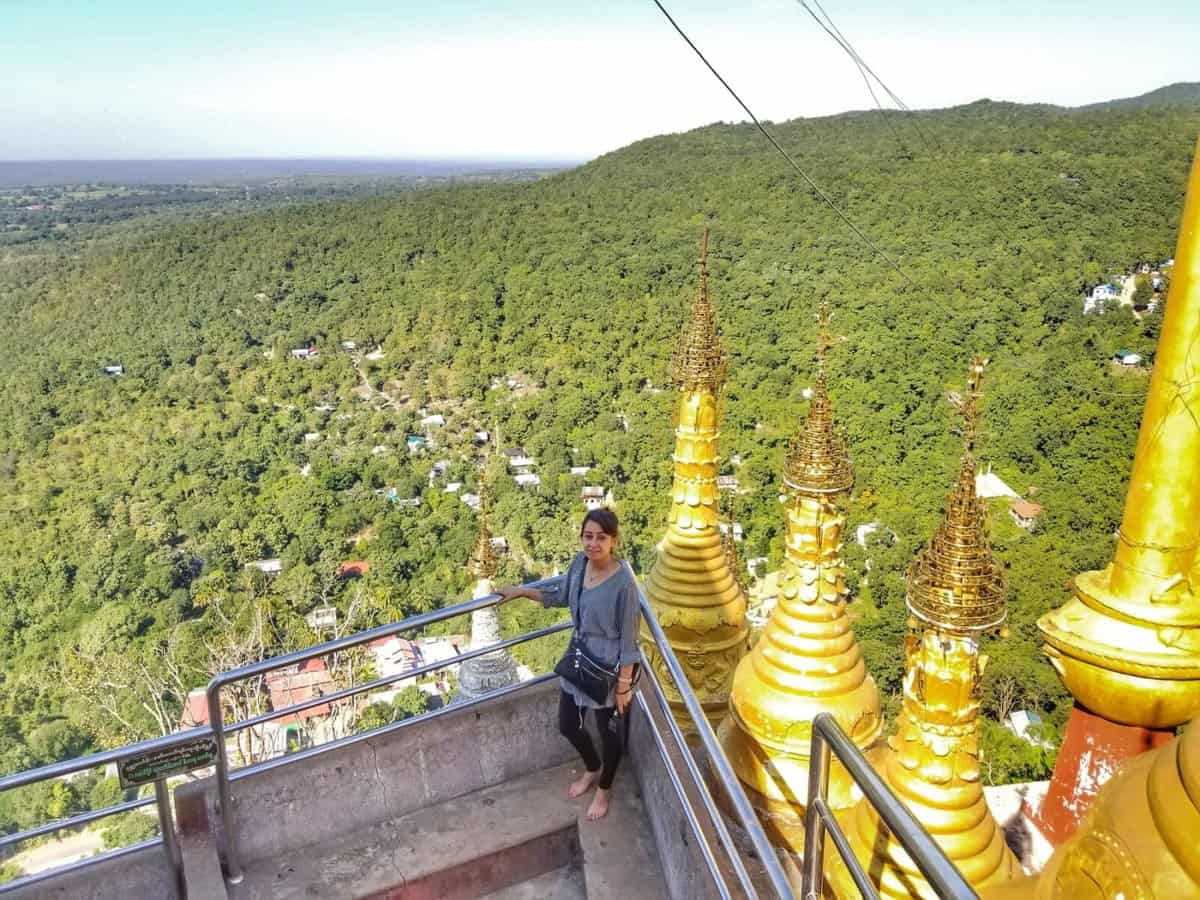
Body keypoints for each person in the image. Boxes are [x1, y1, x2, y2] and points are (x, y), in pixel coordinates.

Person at [496, 509, 639, 820]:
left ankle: (604, 790)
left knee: (608, 733)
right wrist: (521, 591)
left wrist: (624, 687)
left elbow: (630, 641)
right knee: (568, 724)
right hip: (578, 656)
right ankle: (592, 768)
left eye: (601, 537)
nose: (594, 543)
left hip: (607, 668)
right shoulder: (579, 565)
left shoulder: (624, 583)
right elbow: (559, 595)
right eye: (588, 536)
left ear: (613, 540)